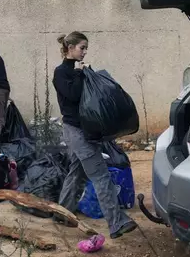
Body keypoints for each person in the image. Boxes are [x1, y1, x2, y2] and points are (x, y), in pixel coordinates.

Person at [52, 31, 138, 239]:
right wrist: (82, 74)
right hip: (77, 132)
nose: (84, 52)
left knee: (77, 171)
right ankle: (116, 223)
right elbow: (73, 95)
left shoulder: (78, 71)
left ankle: (63, 212)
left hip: (83, 132)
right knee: (101, 176)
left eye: (86, 48)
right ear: (70, 48)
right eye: (82, 48)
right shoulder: (61, 72)